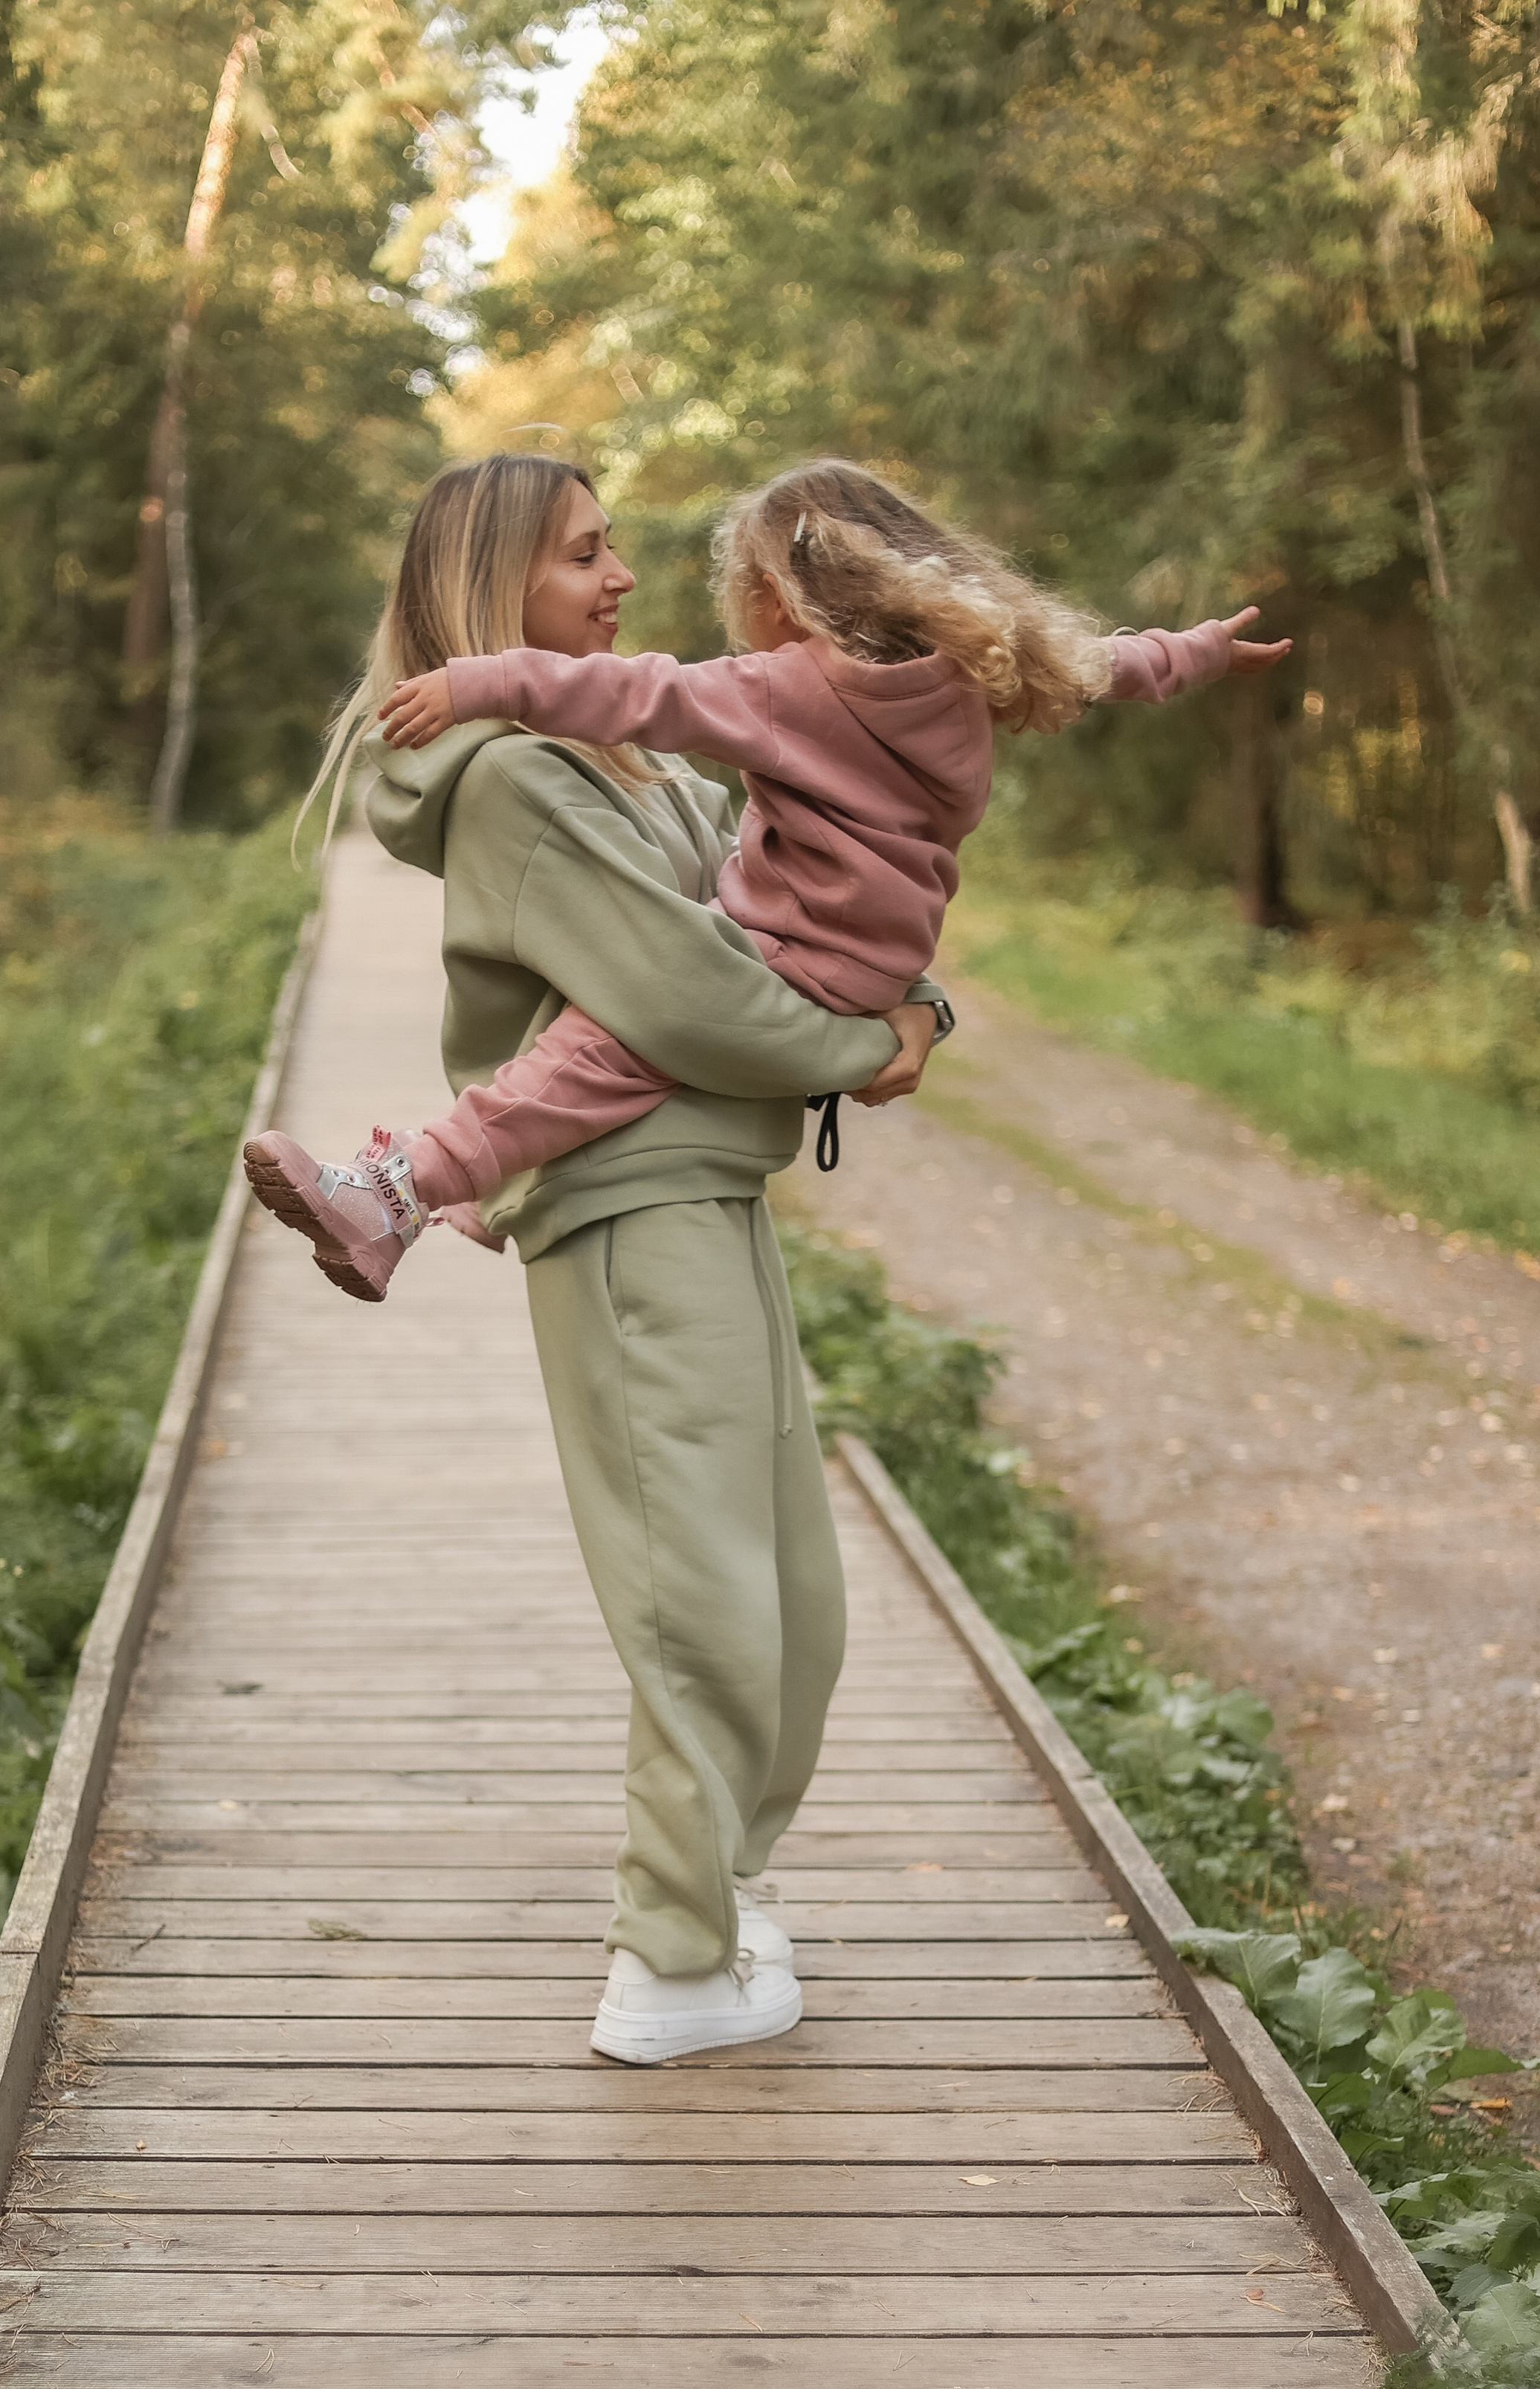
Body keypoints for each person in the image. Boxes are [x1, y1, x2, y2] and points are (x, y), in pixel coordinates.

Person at [246, 452, 935, 2063]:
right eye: (581, 556)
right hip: (629, 1213)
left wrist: (910, 998)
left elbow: (809, 882)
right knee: (697, 1596)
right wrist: (872, 1041)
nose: (619, 577)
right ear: (497, 596)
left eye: (613, 547)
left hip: (706, 1191)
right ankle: (671, 1963)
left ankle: (719, 1880)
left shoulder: (620, 766)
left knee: (793, 1605)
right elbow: (697, 1002)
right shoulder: (520, 786)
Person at [245, 456, 1289, 1300]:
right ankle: (482, 1182)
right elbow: (1110, 661)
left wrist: (477, 678)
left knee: (603, 1048)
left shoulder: (784, 691)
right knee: (617, 1025)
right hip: (879, 948)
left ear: (777, 596)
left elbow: (625, 692)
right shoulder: (980, 669)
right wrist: (1197, 650)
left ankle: (397, 1193)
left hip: (798, 948)